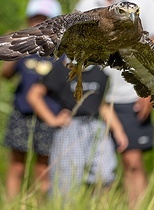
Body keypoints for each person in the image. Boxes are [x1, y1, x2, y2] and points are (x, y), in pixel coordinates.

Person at [74, 0, 154, 207]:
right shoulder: (86, 3)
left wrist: (149, 89)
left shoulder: (146, 2)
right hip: (94, 96)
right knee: (93, 166)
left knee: (133, 162)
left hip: (129, 93)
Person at [27, 57, 128, 196]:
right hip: (71, 127)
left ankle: (95, 204)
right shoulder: (61, 70)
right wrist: (52, 119)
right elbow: (34, 95)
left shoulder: (100, 72)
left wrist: (118, 130)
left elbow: (102, 105)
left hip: (96, 127)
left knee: (105, 175)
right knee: (67, 179)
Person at [2, 0, 64, 200]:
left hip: (49, 115)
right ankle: (11, 203)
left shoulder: (60, 52)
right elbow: (5, 74)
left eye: (45, 20)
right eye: (34, 19)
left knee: (43, 166)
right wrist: (12, 50)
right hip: (22, 112)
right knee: (17, 163)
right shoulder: (22, 47)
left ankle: (39, 203)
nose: (38, 24)